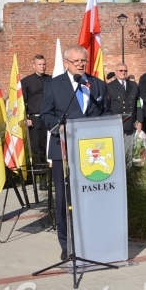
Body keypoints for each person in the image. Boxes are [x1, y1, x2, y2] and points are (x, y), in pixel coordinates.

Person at [40, 45, 111, 260]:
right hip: (63, 150)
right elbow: (45, 115)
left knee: (89, 197)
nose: (80, 64)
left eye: (83, 61)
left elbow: (107, 113)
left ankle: (91, 241)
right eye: (76, 61)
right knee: (63, 200)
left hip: (91, 152)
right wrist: (59, 126)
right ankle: (67, 244)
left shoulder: (97, 85)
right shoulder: (54, 85)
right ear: (67, 63)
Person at [107, 63, 143, 164]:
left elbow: (138, 103)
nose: (123, 73)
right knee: (116, 151)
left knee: (129, 151)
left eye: (125, 71)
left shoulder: (133, 85)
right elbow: (107, 106)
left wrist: (140, 120)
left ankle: (129, 174)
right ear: (116, 72)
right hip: (116, 123)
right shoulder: (110, 86)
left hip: (130, 122)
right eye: (121, 71)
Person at [21, 54, 51, 169]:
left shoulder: (51, 80)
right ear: (33, 66)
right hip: (34, 119)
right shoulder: (26, 82)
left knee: (49, 147)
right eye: (39, 64)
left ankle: (53, 175)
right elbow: (21, 102)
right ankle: (41, 176)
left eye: (44, 64)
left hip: (49, 118)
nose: (42, 67)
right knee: (37, 149)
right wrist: (25, 118)